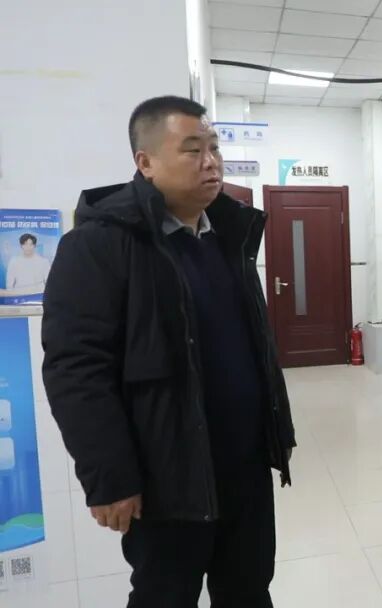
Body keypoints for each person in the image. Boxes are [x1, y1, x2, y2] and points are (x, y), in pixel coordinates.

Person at [42, 96, 296, 608]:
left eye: (214, 148)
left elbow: (251, 346)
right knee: (165, 595)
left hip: (244, 465)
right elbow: (76, 369)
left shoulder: (229, 236)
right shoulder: (101, 245)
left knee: (249, 589)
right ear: (146, 162)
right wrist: (109, 477)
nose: (211, 161)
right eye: (192, 149)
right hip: (167, 476)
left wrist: (277, 433)